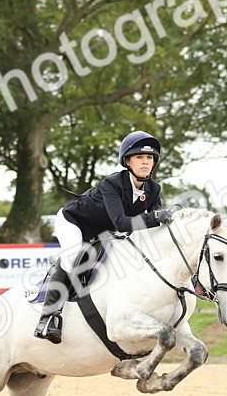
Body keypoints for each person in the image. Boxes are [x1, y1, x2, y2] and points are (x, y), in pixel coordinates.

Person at [33, 130, 173, 343]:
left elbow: (154, 223)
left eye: (150, 158)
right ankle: (48, 317)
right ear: (128, 161)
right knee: (72, 258)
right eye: (140, 158)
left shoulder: (153, 188)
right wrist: (156, 217)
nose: (146, 162)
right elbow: (123, 223)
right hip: (75, 221)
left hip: (103, 230)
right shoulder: (112, 184)